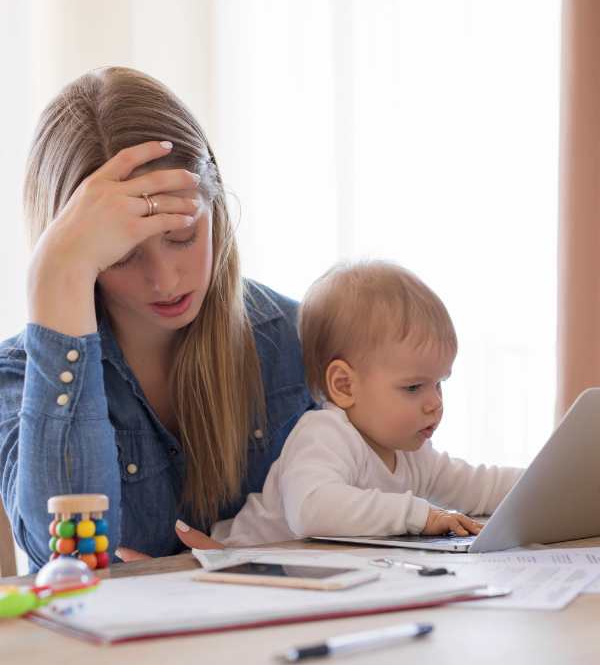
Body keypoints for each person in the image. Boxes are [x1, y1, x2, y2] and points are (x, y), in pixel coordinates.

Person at [0, 66, 315, 572]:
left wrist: (248, 566)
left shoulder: (292, 336)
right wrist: (52, 277)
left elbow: (375, 518)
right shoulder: (20, 374)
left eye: (182, 236)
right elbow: (66, 560)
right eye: (123, 255)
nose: (165, 281)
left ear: (215, 208)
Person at [209, 260, 526, 547]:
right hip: (238, 570)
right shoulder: (324, 435)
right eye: (414, 387)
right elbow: (311, 509)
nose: (435, 404)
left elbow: (476, 486)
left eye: (439, 383)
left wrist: (552, 485)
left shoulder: (410, 452)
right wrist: (419, 515)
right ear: (345, 385)